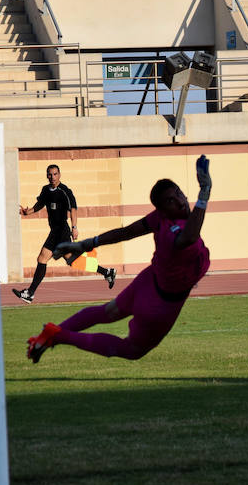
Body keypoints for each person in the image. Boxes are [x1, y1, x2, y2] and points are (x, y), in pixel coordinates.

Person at [26, 155, 212, 363]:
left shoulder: (159, 218)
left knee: (107, 311)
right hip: (161, 303)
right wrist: (204, 192)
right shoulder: (172, 229)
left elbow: (125, 233)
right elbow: (189, 236)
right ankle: (59, 336)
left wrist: (84, 244)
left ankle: (48, 334)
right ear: (162, 210)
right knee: (131, 350)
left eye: (179, 193)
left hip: (148, 281)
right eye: (171, 200)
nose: (180, 201)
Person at [12, 163, 116, 304]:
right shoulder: (45, 190)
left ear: (59, 175)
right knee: (71, 260)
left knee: (44, 259)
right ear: (47, 175)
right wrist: (27, 212)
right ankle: (107, 272)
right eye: (50, 174)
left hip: (62, 231)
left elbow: (73, 209)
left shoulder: (65, 191)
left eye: (55, 174)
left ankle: (30, 293)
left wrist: (74, 227)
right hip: (54, 231)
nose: (53, 177)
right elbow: (40, 204)